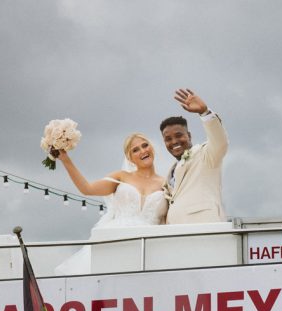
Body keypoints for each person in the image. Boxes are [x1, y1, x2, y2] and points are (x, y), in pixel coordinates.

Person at [57, 132, 168, 228]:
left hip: (151, 242)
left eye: (145, 145)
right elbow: (87, 189)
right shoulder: (120, 177)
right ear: (129, 158)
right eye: (135, 150)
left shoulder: (166, 183)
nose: (143, 151)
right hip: (119, 236)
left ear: (151, 147)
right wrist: (65, 159)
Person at [160, 88, 228, 224]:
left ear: (189, 136)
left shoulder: (205, 155)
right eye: (168, 139)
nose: (174, 142)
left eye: (179, 135)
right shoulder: (170, 171)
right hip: (174, 235)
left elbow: (220, 142)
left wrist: (204, 112)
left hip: (205, 228)